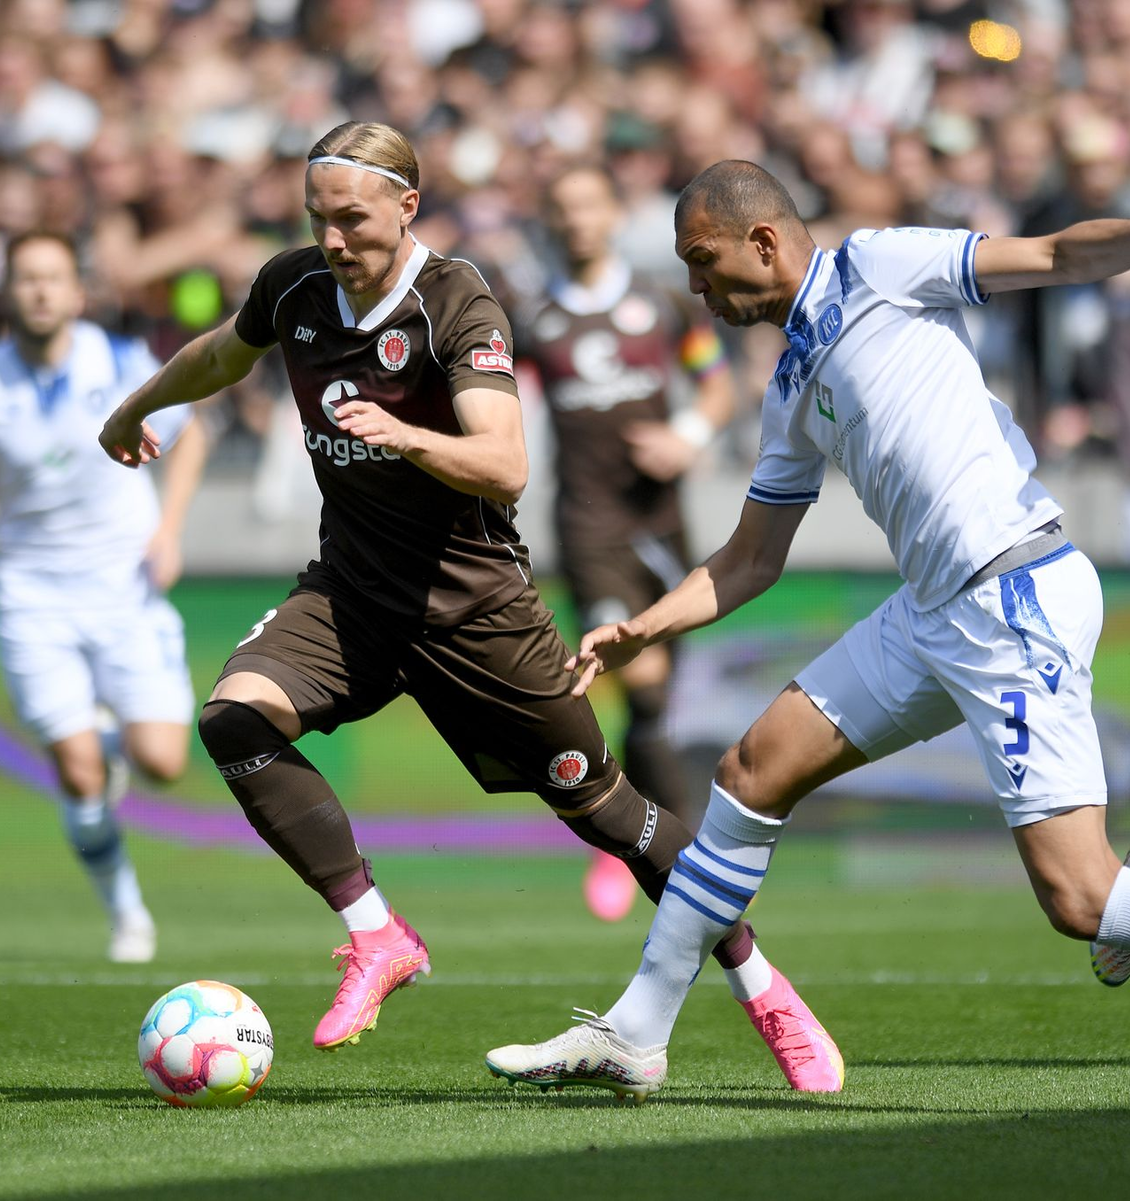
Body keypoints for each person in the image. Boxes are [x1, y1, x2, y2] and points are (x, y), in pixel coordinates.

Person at [97, 123, 843, 1094]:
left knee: (613, 812)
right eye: (318, 218)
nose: (332, 239)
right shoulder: (293, 286)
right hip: (352, 596)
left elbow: (506, 460)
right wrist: (135, 408)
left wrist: (404, 434)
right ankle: (376, 935)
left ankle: (761, 983)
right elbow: (219, 357)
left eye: (353, 219)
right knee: (234, 718)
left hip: (476, 612)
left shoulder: (457, 299)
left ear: (407, 206)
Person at [485, 158, 1130, 1100]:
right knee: (752, 770)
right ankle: (635, 1033)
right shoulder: (790, 383)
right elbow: (750, 558)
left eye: (703, 261)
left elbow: (1053, 252)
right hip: (931, 609)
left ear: (765, 239)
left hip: (1010, 593)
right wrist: (646, 629)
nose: (696, 287)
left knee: (1079, 899)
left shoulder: (879, 265)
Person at [0, 230, 204, 963]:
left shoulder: (120, 363)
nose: (42, 291)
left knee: (165, 761)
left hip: (125, 586)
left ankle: (108, 741)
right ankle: (127, 915)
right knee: (79, 771)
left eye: (54, 277)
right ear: (7, 292)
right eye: (27, 278)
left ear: (77, 291)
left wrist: (170, 530)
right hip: (33, 597)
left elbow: (193, 431)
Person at [520, 164, 736, 921]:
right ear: (550, 219)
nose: (577, 219)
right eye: (563, 206)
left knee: (660, 698)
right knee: (636, 682)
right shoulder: (534, 318)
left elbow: (717, 385)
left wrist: (688, 433)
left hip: (664, 523)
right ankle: (684, 855)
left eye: (589, 203)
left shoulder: (664, 305)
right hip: (590, 525)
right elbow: (501, 411)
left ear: (612, 212)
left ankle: (630, 831)